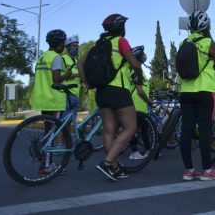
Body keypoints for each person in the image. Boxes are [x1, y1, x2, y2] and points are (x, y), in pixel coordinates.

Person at [79, 14, 143, 181]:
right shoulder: (121, 41)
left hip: (101, 91)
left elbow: (80, 63)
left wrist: (87, 83)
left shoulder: (99, 44)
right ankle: (107, 163)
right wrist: (139, 77)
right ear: (121, 28)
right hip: (118, 91)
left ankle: (113, 168)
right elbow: (135, 64)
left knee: (109, 130)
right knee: (130, 128)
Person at [178, 10, 215, 181]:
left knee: (186, 130)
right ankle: (207, 170)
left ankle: (189, 170)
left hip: (186, 92)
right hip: (206, 91)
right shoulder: (208, 43)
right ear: (206, 26)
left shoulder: (183, 43)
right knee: (205, 130)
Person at [31, 29, 71, 175]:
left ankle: (48, 161)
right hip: (53, 99)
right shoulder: (56, 58)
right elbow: (56, 79)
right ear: (60, 43)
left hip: (42, 98)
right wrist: (66, 75)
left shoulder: (42, 57)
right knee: (51, 133)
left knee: (48, 131)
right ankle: (46, 166)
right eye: (63, 43)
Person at [129, 45, 154, 160]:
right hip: (137, 105)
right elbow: (140, 90)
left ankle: (136, 151)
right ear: (138, 57)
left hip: (138, 105)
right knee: (142, 129)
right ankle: (141, 151)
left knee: (136, 129)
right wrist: (149, 101)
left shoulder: (138, 69)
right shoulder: (135, 70)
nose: (144, 56)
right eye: (142, 54)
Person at [61, 35, 81, 118]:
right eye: (74, 46)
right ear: (68, 47)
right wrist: (77, 75)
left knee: (71, 121)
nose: (76, 48)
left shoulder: (76, 61)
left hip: (76, 94)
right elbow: (60, 76)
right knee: (64, 122)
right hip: (67, 94)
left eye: (77, 46)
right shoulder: (63, 59)